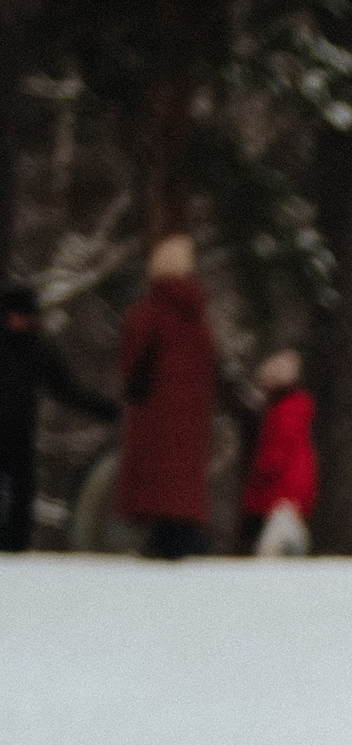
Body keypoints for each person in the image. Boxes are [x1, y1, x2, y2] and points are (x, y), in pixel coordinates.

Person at [114, 235, 219, 563]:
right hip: (190, 422)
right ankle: (185, 536)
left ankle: (163, 538)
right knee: (181, 484)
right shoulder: (200, 322)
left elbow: (132, 364)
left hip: (155, 416)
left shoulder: (148, 314)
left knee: (156, 484)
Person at [0, 279, 113, 551]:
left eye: (26, 316)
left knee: (22, 495)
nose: (20, 322)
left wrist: (105, 410)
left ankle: (16, 551)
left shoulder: (37, 348)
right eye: (15, 315)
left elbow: (66, 390)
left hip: (20, 434)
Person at [238, 346, 317, 553]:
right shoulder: (293, 408)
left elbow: (275, 454)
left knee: (270, 550)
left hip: (278, 496)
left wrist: (258, 473)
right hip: (292, 496)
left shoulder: (283, 411)